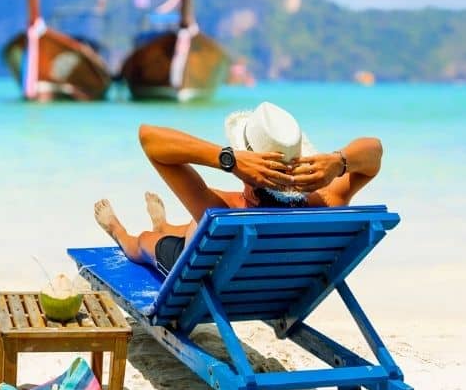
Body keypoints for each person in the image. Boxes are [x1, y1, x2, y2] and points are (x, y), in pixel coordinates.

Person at [94, 102, 383, 275]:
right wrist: (338, 162)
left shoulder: (220, 211)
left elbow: (149, 138)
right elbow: (375, 153)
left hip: (210, 276)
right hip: (275, 286)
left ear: (249, 166)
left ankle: (119, 230)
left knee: (145, 241)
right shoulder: (327, 201)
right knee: (197, 224)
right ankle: (166, 224)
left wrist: (228, 160)